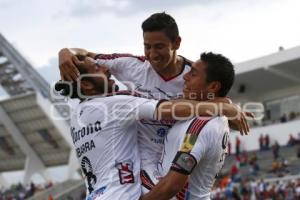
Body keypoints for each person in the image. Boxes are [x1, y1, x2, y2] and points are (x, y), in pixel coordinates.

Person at [57, 56, 248, 200]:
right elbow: (171, 108)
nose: (107, 69)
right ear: (87, 84)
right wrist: (222, 106)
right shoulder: (115, 104)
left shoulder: (78, 115)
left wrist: (64, 52)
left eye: (193, 73)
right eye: (97, 68)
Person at [141, 52, 240, 199]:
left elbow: (173, 185)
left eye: (193, 74)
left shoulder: (201, 126)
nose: (185, 77)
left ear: (213, 86)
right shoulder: (209, 114)